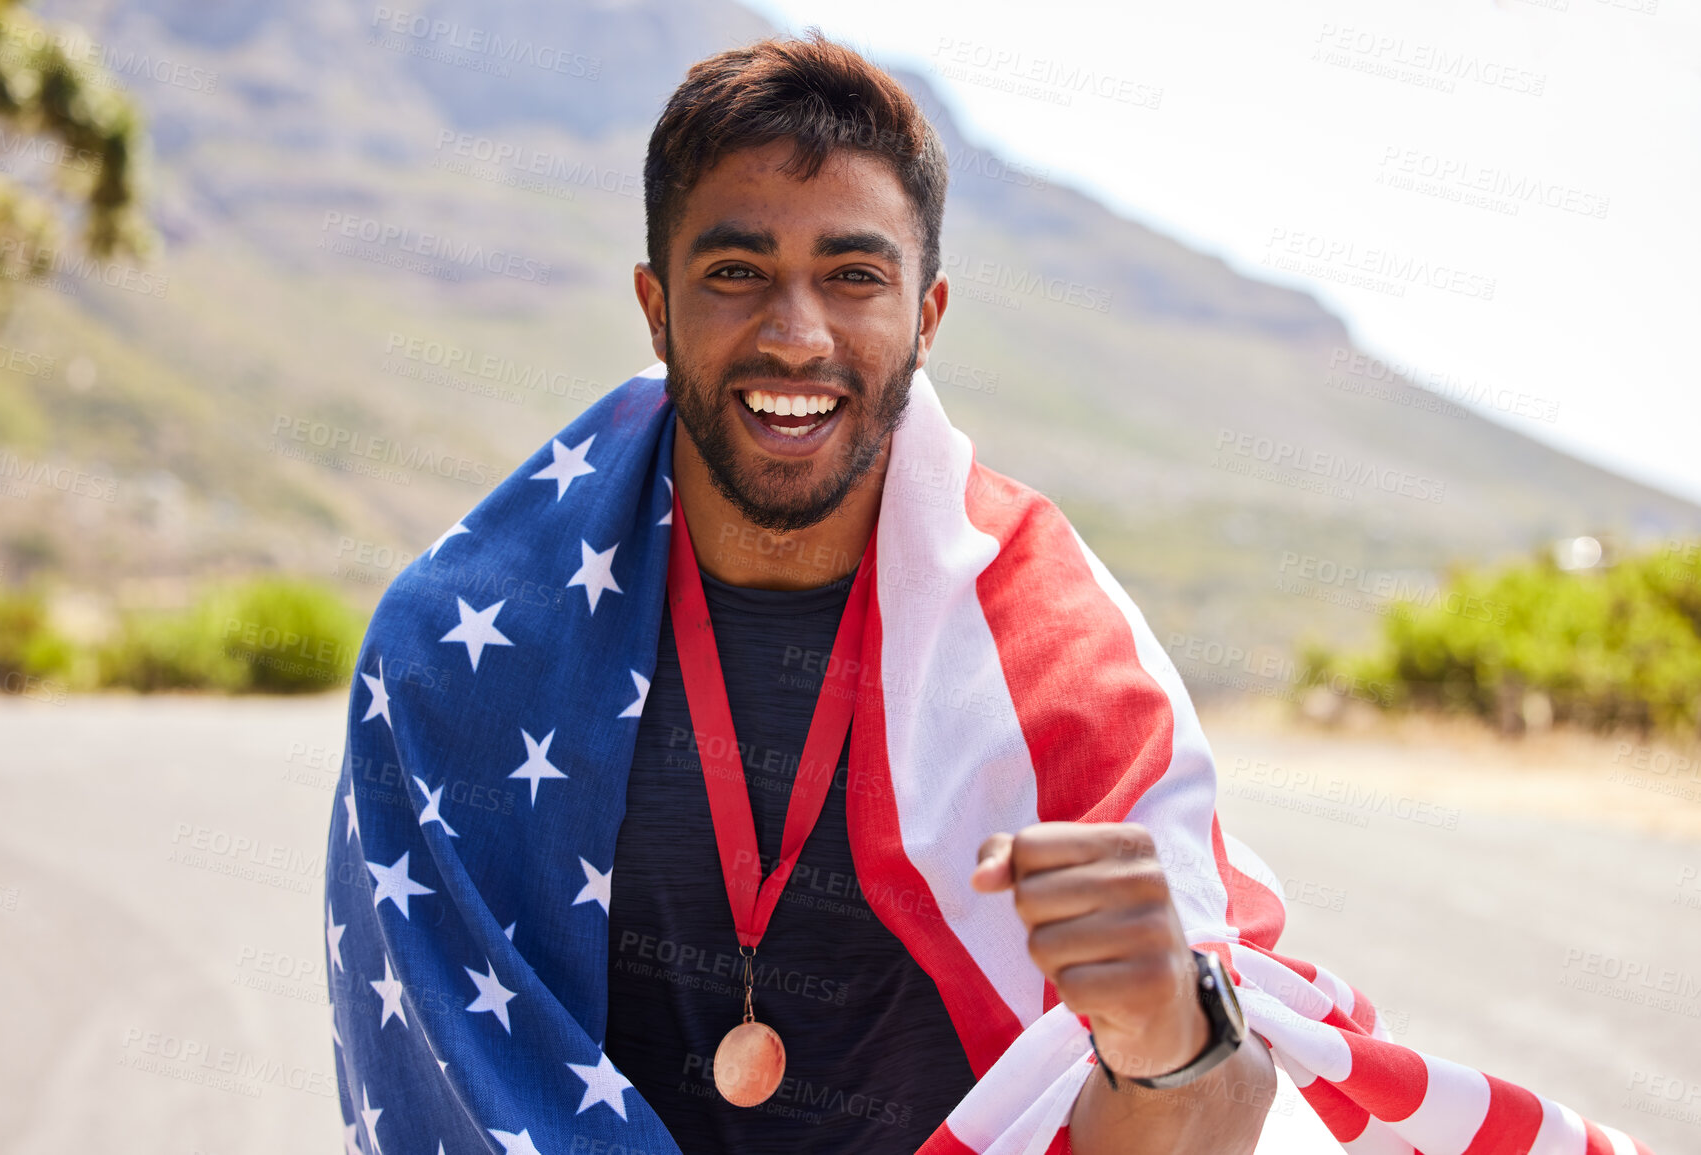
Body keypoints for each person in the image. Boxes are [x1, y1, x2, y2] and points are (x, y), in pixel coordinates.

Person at [325, 31, 1654, 1155]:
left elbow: (1214, 1116)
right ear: (655, 307)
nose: (797, 334)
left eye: (854, 276)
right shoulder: (459, 653)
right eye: (737, 274)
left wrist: (1163, 1037)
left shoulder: (1058, 665)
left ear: (930, 314)